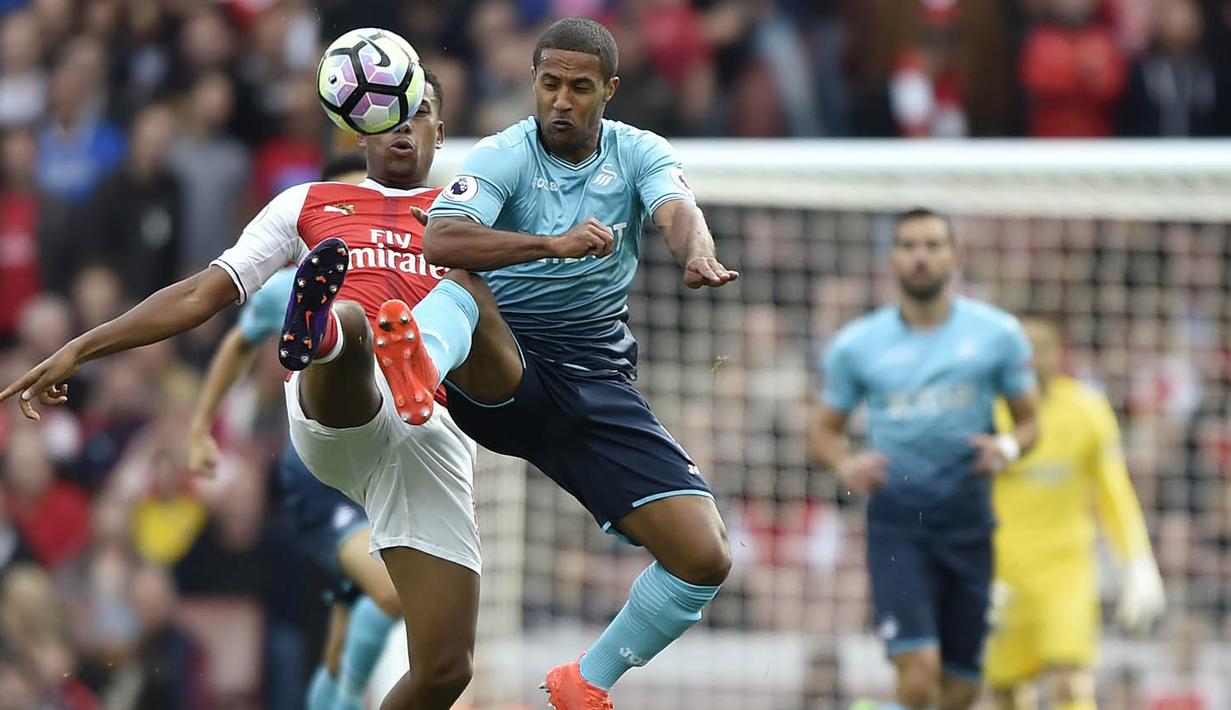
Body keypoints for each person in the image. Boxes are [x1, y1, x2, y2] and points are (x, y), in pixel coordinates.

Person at [2, 71, 483, 710]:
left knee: (448, 670)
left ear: (440, 132)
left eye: (417, 111)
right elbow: (202, 294)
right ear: (357, 126)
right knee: (359, 325)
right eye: (386, 112)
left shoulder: (470, 215)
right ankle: (323, 332)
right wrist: (82, 345)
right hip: (338, 418)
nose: (402, 124)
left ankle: (353, 342)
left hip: (431, 436)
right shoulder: (307, 203)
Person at [374, 17, 739, 709]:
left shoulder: (638, 151)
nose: (561, 101)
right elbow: (442, 238)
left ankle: (585, 682)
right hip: (502, 368)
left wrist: (695, 254)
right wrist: (552, 246)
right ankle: (415, 362)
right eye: (549, 84)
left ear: (609, 90)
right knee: (461, 286)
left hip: (595, 380)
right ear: (532, 84)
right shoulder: (504, 154)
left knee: (704, 556)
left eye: (578, 87)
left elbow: (676, 209)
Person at [186, 151, 403, 710]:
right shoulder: (288, 288)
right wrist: (200, 428)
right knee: (392, 592)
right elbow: (238, 343)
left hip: (382, 467)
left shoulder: (405, 275)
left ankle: (338, 688)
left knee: (354, 636)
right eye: (345, 201)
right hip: (319, 476)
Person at [808, 208, 1040, 710]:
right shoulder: (857, 345)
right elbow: (825, 430)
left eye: (933, 245)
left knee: (961, 688)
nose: (921, 256)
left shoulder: (997, 335)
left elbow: (1030, 422)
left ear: (955, 257)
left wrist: (1008, 447)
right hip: (898, 524)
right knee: (918, 677)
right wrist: (846, 464)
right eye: (909, 245)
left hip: (969, 523)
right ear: (892, 258)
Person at [985, 315, 1164, 710]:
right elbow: (963, 497)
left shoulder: (1087, 410)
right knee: (1007, 694)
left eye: (1042, 347)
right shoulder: (988, 413)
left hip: (1065, 574)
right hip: (1002, 576)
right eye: (1022, 348)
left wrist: (1137, 563)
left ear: (1058, 353)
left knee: (1070, 680)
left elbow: (1114, 493)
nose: (1032, 358)